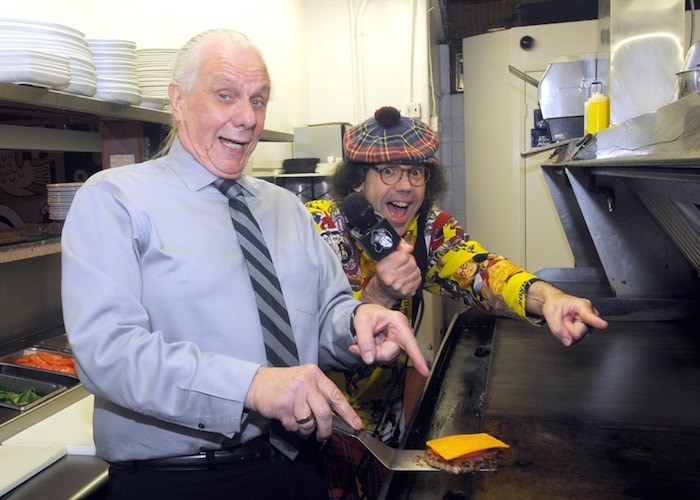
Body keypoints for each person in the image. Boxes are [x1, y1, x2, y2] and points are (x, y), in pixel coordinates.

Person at [60, 33, 430, 500]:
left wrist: (358, 321)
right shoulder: (114, 199)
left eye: (258, 100)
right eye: (225, 96)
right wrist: (251, 385)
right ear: (177, 100)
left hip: (302, 469)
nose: (248, 118)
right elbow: (108, 353)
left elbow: (325, 314)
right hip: (182, 481)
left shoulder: (287, 209)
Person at [306, 105, 609, 499]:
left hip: (387, 429)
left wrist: (547, 297)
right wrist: (378, 296)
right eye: (389, 170)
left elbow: (483, 270)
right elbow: (294, 338)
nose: (405, 185)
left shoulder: (427, 231)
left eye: (416, 171)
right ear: (358, 180)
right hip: (321, 430)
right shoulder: (315, 231)